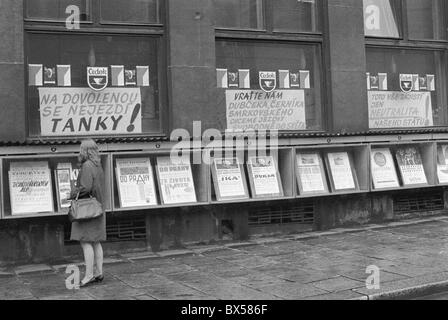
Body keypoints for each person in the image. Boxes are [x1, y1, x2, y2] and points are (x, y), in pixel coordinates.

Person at [70, 139, 106, 287]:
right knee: (96, 241)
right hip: (97, 207)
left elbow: (85, 187)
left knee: (85, 242)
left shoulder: (86, 165)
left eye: (80, 148)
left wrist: (73, 193)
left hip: (87, 210)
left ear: (84, 150)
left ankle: (89, 275)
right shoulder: (98, 165)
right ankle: (99, 272)